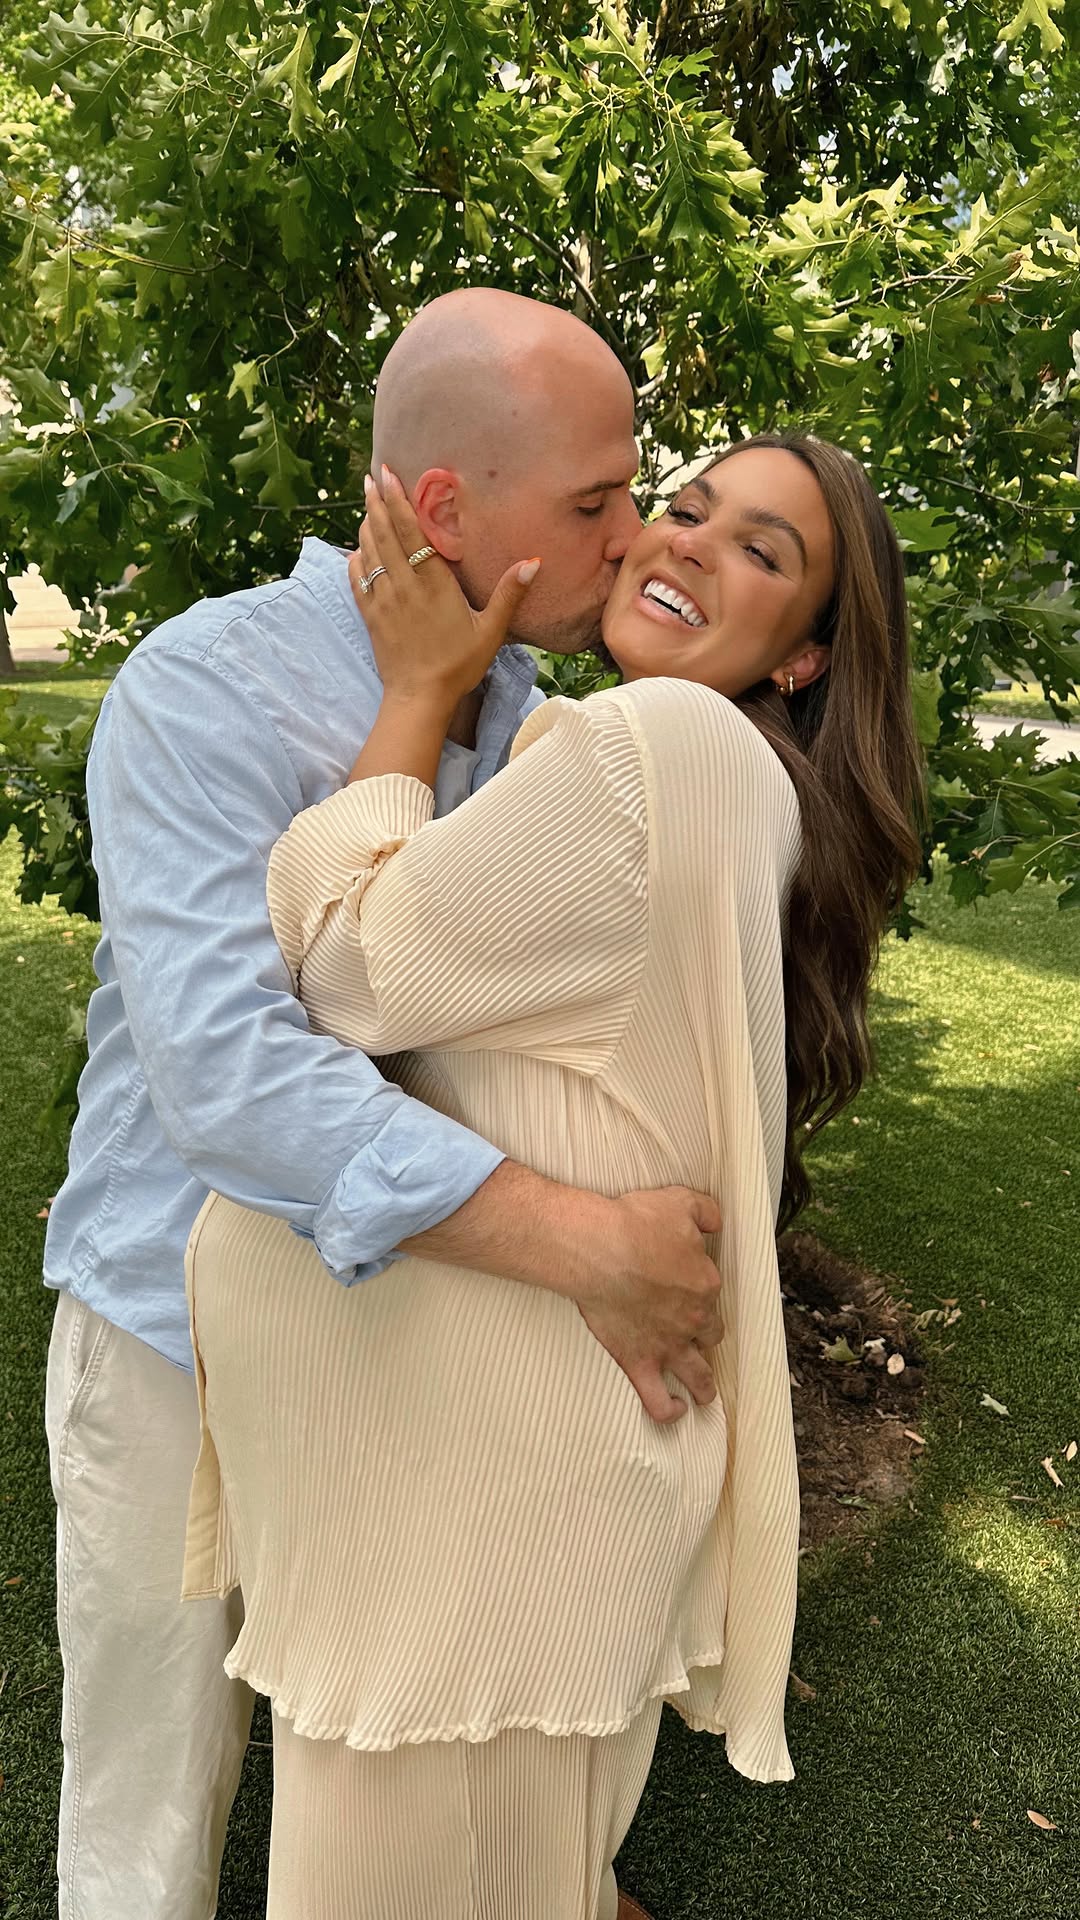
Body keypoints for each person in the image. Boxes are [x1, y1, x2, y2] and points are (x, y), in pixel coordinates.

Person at [42, 289, 731, 1920]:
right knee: (151, 1814)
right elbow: (231, 1075)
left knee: (392, 1745)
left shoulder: (551, 725)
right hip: (175, 1337)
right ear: (443, 509)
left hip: (403, 1347)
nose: (632, 537)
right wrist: (585, 1242)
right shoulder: (205, 686)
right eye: (596, 501)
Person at [183, 437, 926, 1918]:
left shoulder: (652, 744)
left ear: (802, 658)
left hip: (485, 1523)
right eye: (687, 504)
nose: (688, 539)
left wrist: (416, 693)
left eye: (761, 551)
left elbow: (340, 968)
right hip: (492, 1498)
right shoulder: (708, 771)